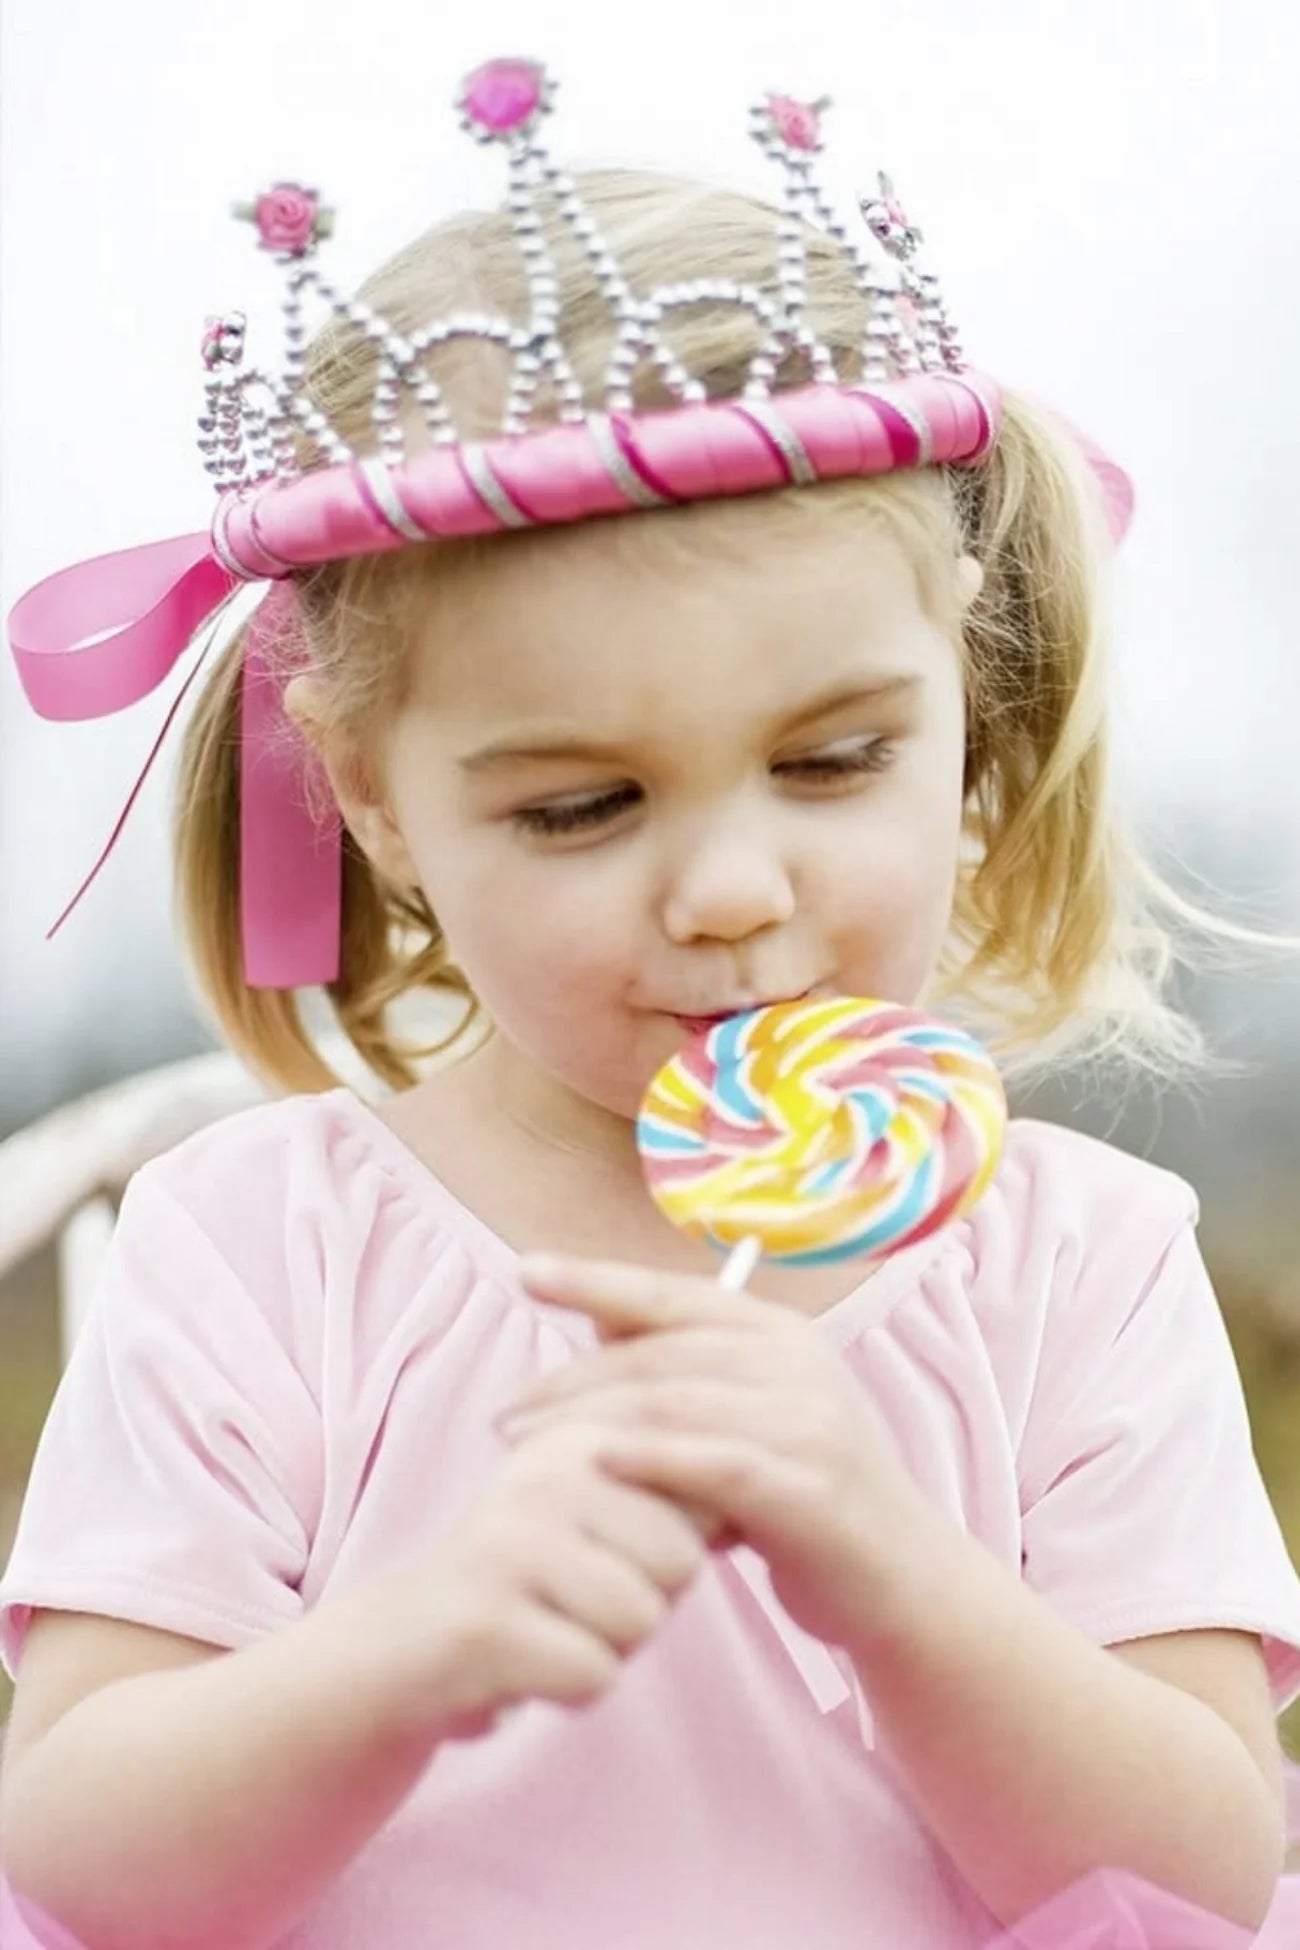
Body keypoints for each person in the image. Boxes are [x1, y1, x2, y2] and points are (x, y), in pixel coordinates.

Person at [2, 54, 1299, 1950]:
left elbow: (1203, 1864)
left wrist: (893, 1571)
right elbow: (80, 1850)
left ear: (967, 710)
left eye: (836, 760)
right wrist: (400, 1654)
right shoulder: (259, 1245)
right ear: (377, 803)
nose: (728, 887)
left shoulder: (1076, 1265)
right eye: (581, 803)